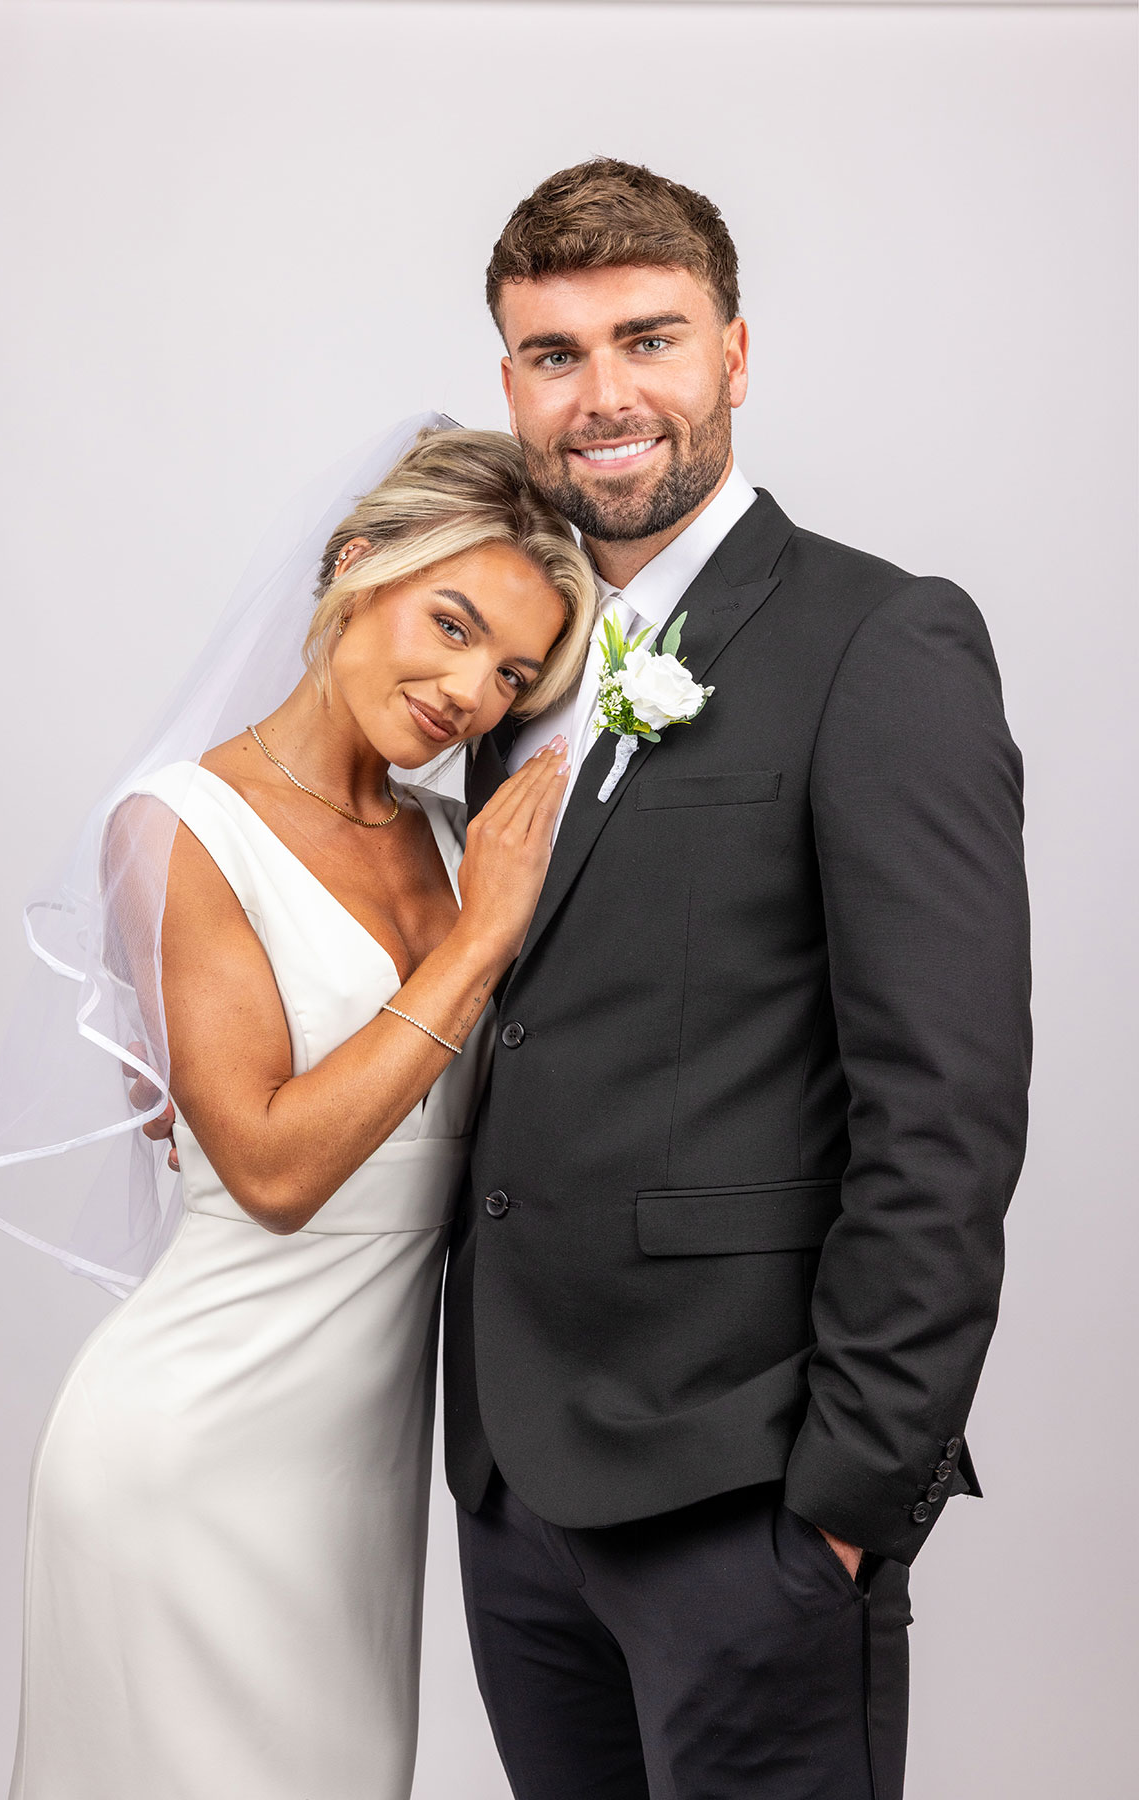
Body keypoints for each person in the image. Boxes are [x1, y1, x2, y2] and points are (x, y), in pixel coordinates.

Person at [437, 160, 1032, 1800]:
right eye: (556, 355)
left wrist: (846, 1500)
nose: (605, 396)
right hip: (515, 1495)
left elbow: (947, 1111)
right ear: (510, 383)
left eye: (651, 339)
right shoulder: (503, 672)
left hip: (747, 1495)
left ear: (737, 356)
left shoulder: (881, 642)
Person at [0, 426, 598, 1800]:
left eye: (509, 674)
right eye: (451, 625)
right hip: (188, 1453)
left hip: (354, 1492)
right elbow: (270, 1169)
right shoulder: (178, 822)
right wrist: (478, 943)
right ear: (357, 563)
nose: (466, 692)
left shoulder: (456, 840)